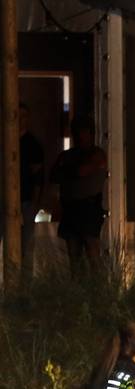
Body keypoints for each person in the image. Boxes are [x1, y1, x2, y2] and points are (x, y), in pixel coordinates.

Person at [48, 115, 107, 270]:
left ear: (91, 133)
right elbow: (54, 175)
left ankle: (98, 289)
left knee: (92, 252)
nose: (81, 136)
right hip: (71, 208)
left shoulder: (96, 153)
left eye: (84, 131)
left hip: (88, 208)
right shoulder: (68, 155)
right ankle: (78, 290)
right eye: (78, 132)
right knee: (74, 256)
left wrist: (68, 170)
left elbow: (83, 170)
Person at [19, 103, 44, 280]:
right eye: (17, 115)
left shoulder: (33, 145)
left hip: (26, 201)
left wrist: (35, 203)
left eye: (24, 116)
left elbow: (38, 179)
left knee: (26, 247)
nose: (20, 120)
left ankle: (24, 289)